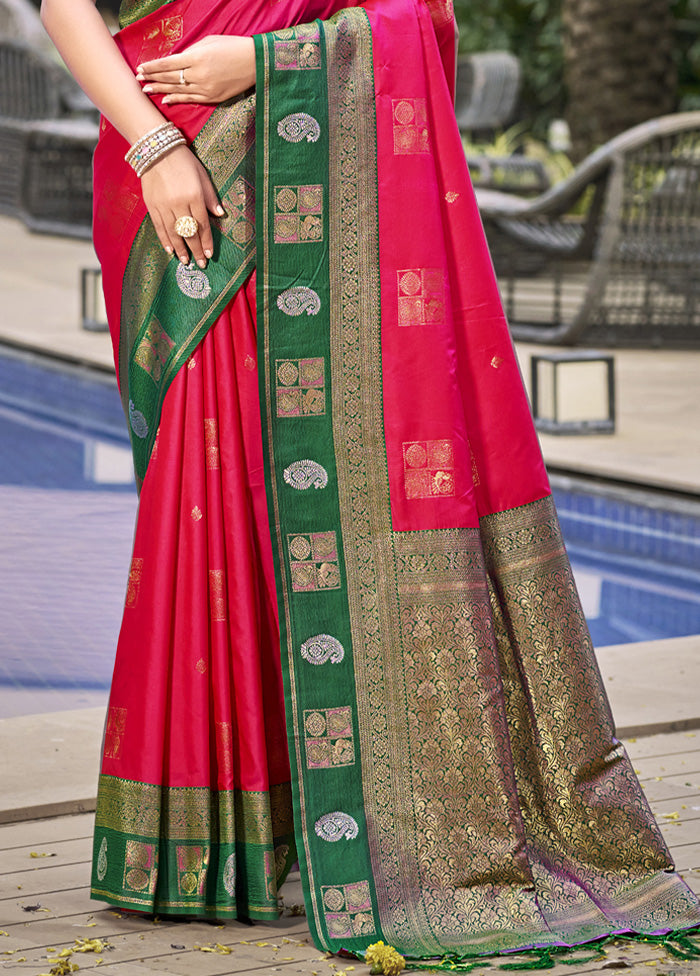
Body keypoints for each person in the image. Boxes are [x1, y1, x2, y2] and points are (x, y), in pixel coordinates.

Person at [41, 0, 700, 964]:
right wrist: (153, 147)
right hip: (180, 156)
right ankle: (224, 843)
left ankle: (363, 828)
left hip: (316, 159)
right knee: (213, 491)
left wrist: (267, 60)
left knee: (339, 481)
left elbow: (414, 17)